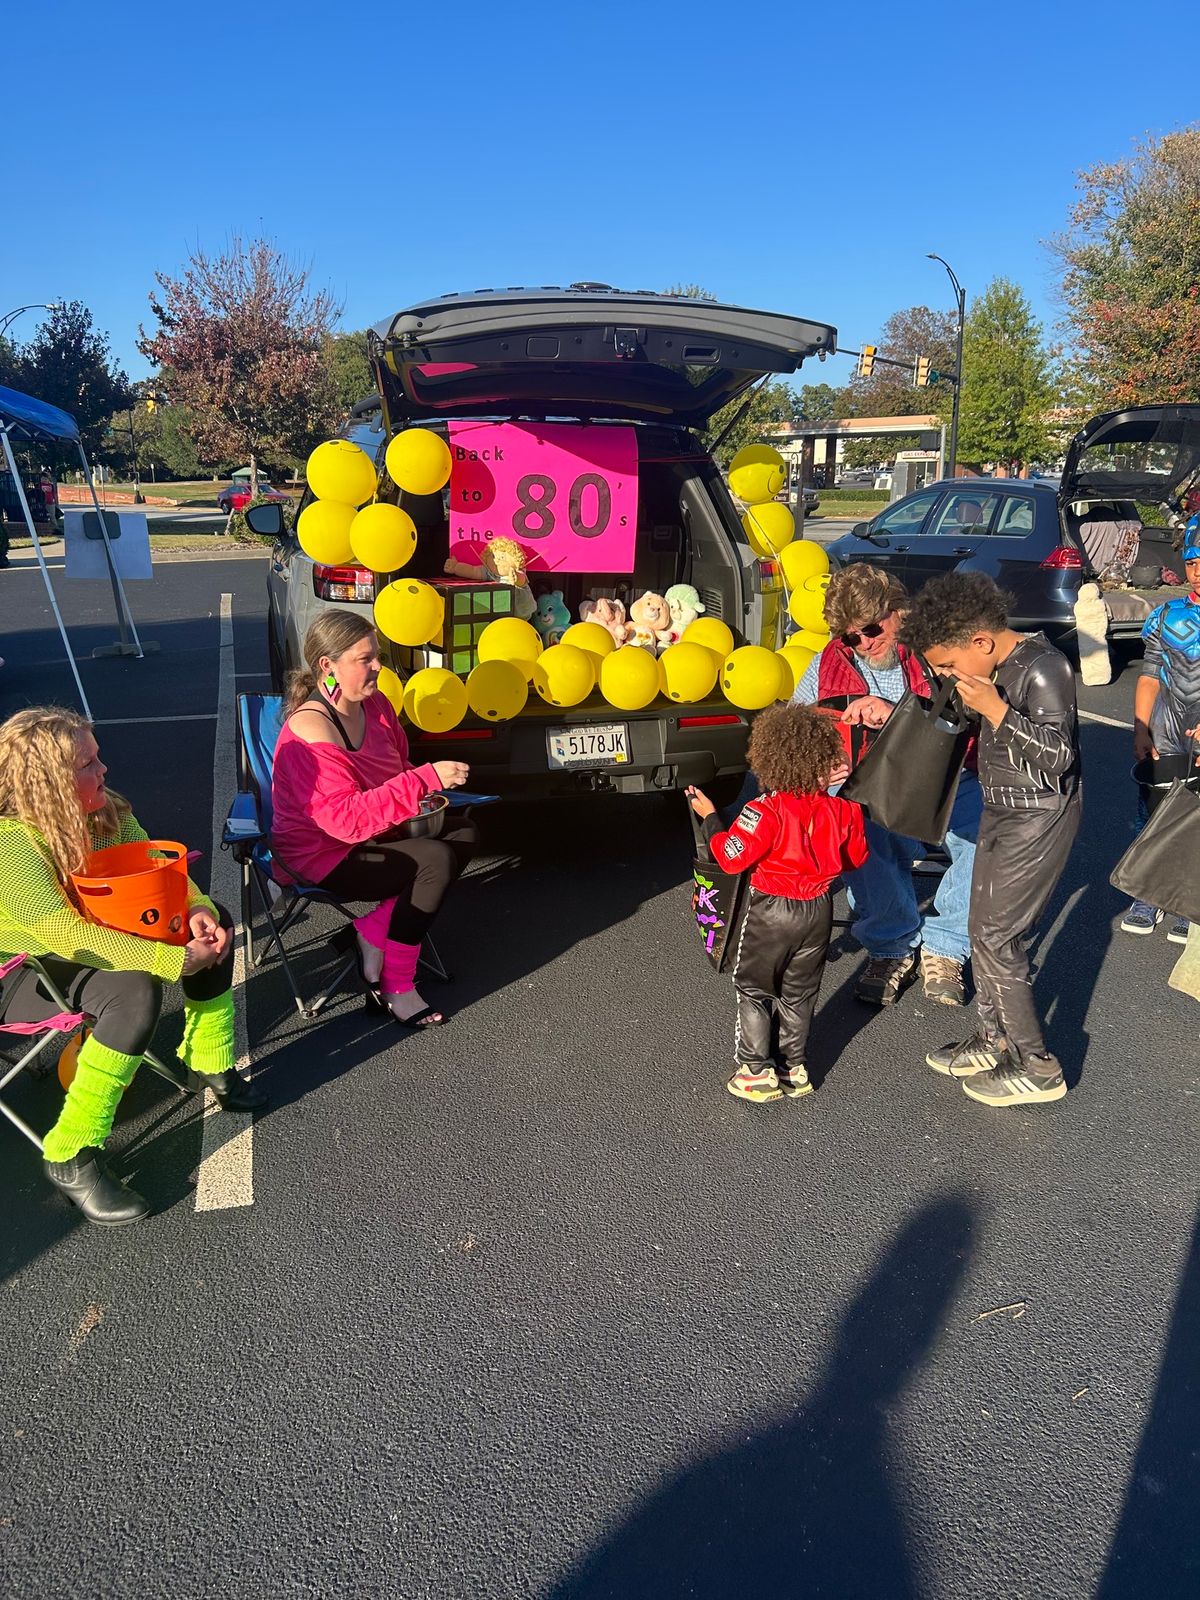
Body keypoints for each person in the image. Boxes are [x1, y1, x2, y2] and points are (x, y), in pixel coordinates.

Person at [0, 707, 264, 1227]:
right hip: (19, 970)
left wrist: (197, 913)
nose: (104, 771)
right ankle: (69, 1155)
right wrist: (174, 959)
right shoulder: (11, 845)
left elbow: (158, 872)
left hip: (91, 944)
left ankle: (208, 1061)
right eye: (87, 765)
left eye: (98, 758)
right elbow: (62, 934)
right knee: (134, 990)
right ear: (47, 782)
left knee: (217, 924)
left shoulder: (106, 813)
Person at [900, 573, 1081, 1108]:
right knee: (981, 929)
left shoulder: (1044, 668)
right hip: (1001, 809)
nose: (947, 675)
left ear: (981, 640)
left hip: (1039, 816)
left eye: (949, 664)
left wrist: (998, 710)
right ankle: (993, 1037)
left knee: (1000, 938)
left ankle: (1037, 1066)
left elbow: (1059, 758)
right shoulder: (991, 668)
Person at [270, 611, 477, 1028]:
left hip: (372, 831)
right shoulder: (311, 733)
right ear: (328, 666)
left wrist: (421, 793)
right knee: (433, 861)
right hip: (321, 853)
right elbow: (344, 822)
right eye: (365, 659)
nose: (379, 667)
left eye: (377, 656)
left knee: (465, 831)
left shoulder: (376, 704)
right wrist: (425, 778)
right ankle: (396, 985)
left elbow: (397, 767)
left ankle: (371, 932)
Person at [791, 563, 982, 1008]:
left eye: (871, 630)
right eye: (850, 637)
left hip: (947, 775)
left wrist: (894, 711)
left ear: (900, 611)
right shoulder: (827, 663)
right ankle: (891, 943)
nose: (862, 644)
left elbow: (971, 708)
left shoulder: (938, 645)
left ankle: (945, 946)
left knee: (987, 832)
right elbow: (794, 726)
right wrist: (816, 766)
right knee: (853, 825)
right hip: (871, 781)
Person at [687, 703, 868, 1104]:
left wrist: (712, 817)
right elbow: (855, 859)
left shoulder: (763, 809)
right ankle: (794, 1068)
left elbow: (731, 856)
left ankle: (755, 1070)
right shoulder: (847, 811)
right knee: (799, 992)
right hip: (819, 909)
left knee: (754, 988)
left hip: (770, 909)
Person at [1121, 520, 1200, 944]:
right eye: (1192, 561)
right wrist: (1140, 728)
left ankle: (1191, 897)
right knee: (1153, 807)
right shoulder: (1166, 615)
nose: (1198, 569)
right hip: (1168, 722)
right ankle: (1147, 891)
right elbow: (1150, 676)